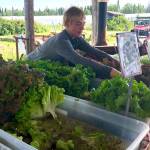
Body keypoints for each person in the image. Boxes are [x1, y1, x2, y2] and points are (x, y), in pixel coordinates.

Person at [27, 6, 120, 79]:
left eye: (83, 24)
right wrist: (110, 71)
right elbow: (79, 60)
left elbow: (94, 51)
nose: (82, 28)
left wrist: (115, 62)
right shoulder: (61, 41)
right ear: (67, 23)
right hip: (29, 66)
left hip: (48, 67)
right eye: (78, 24)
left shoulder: (76, 38)